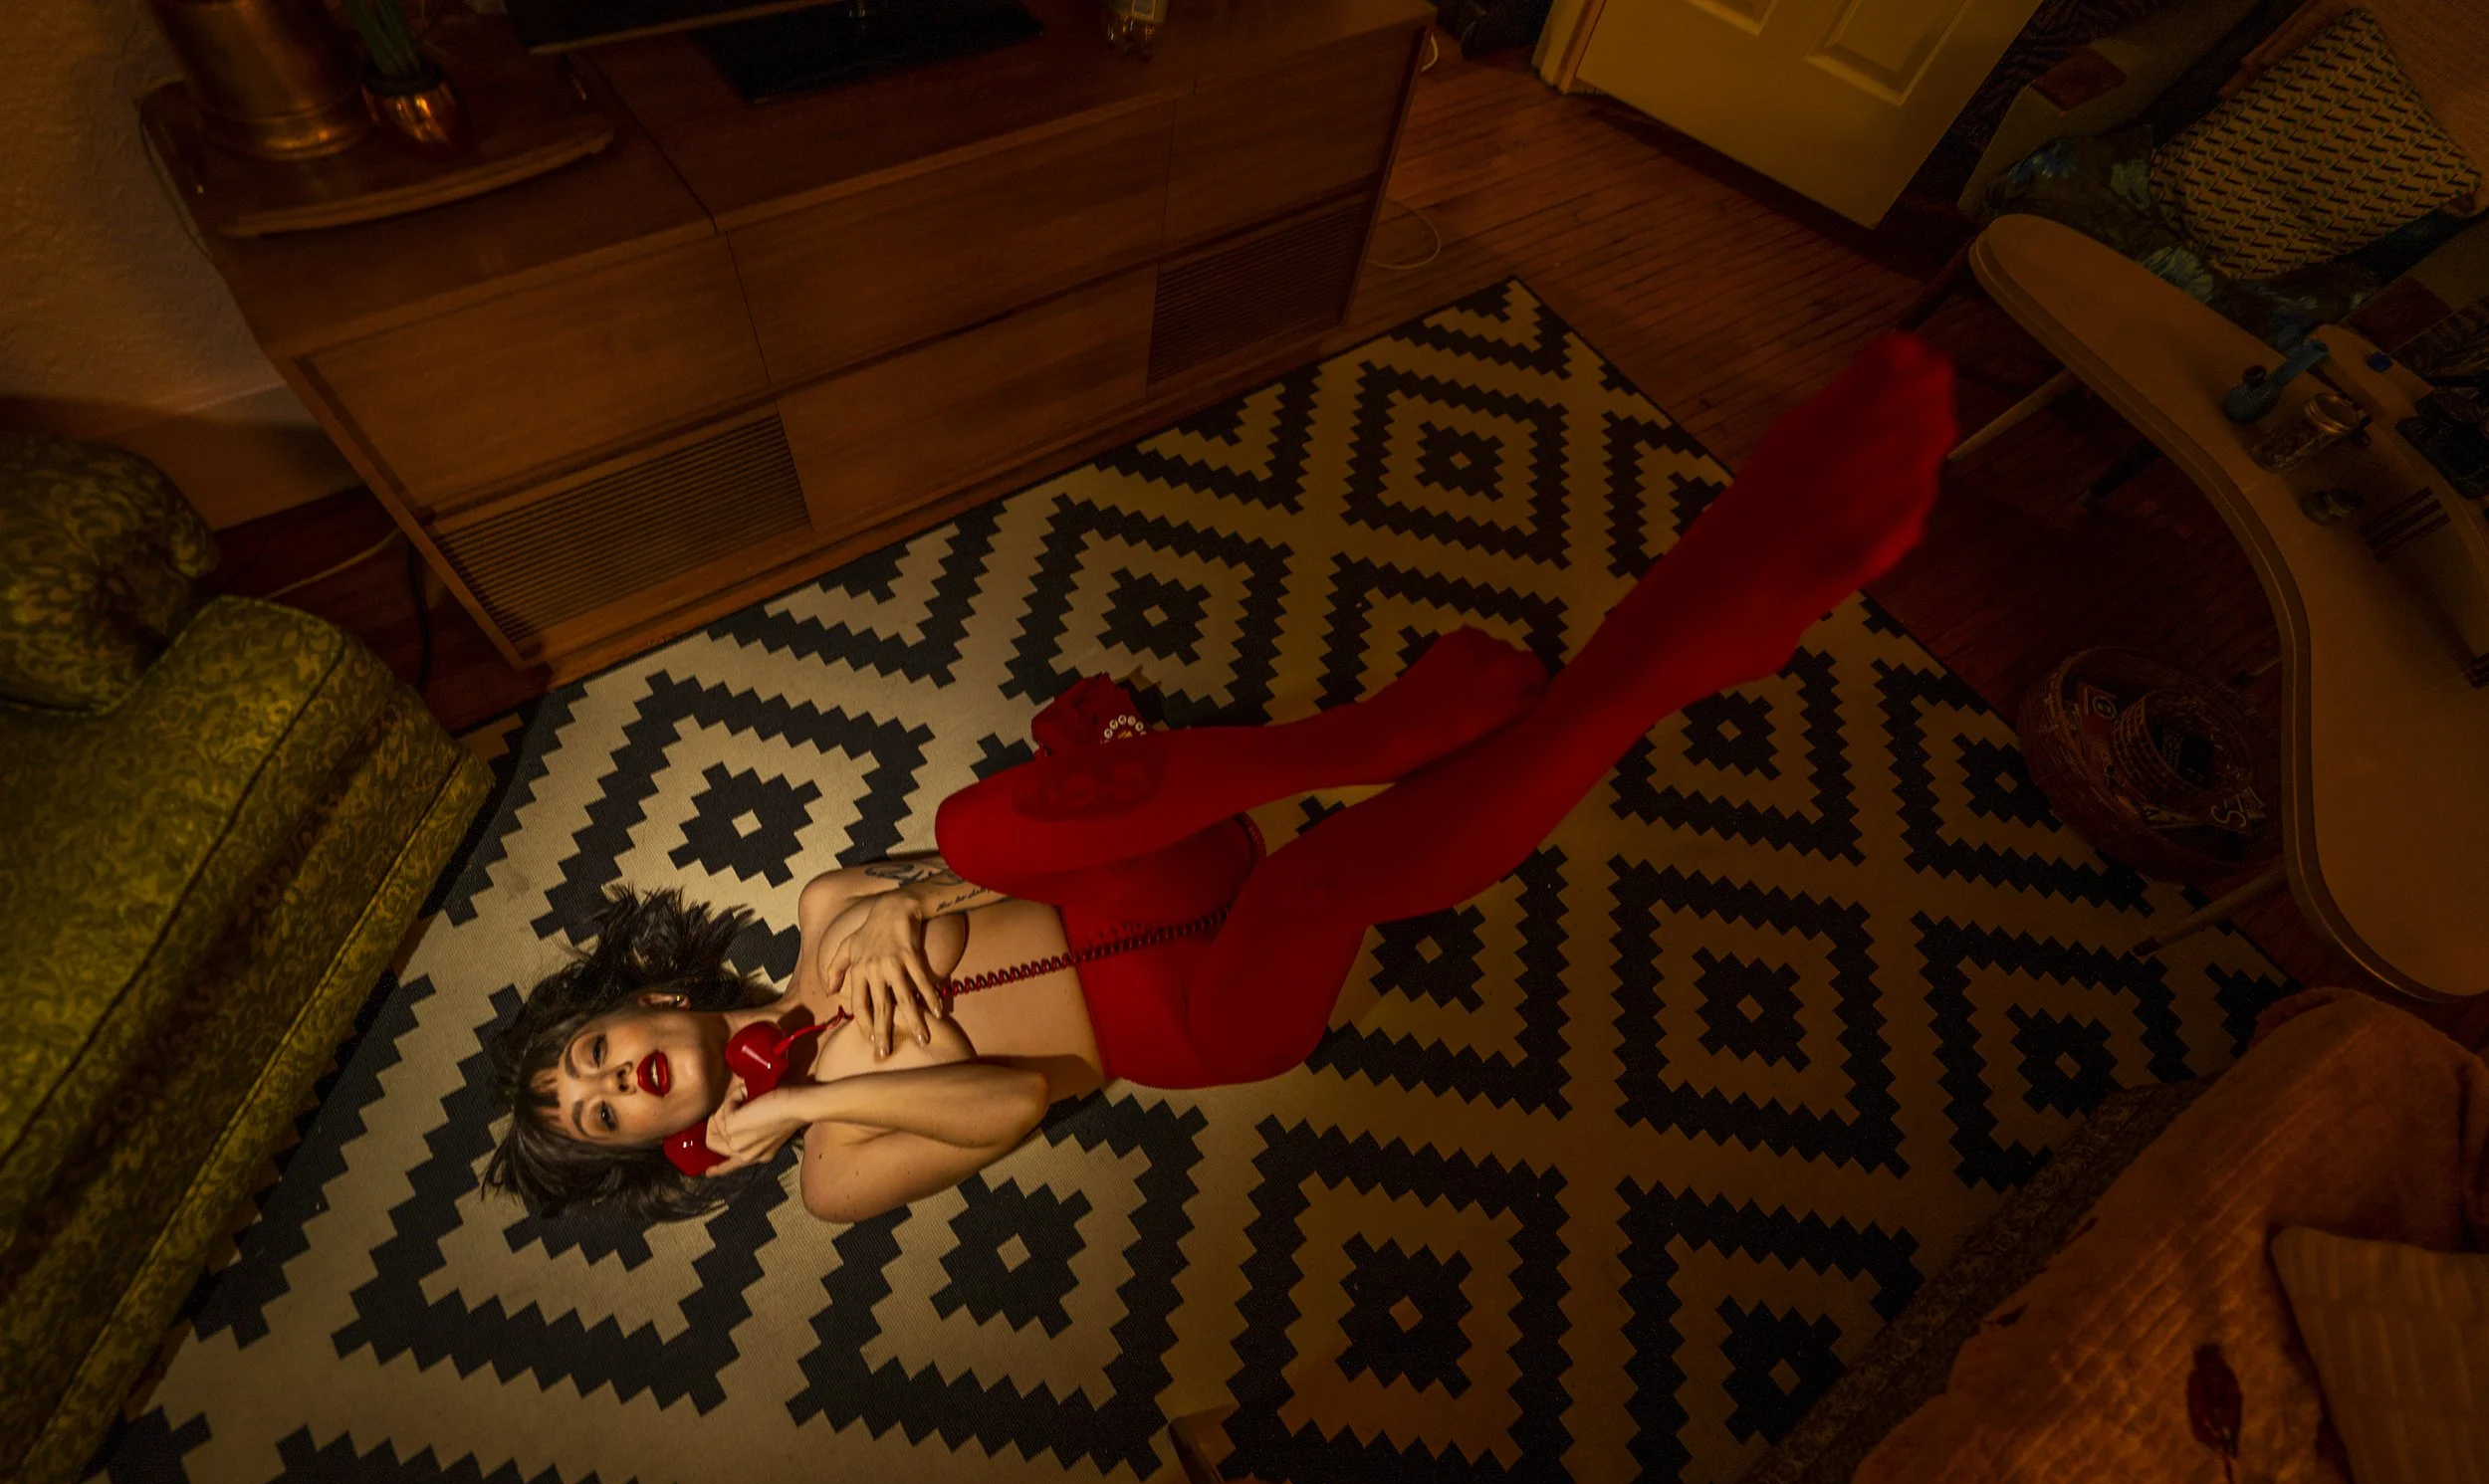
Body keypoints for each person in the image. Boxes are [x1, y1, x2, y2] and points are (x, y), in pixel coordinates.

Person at [482, 333, 1956, 1226]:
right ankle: (1679, 644)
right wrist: (807, 1107)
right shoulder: (828, 1174)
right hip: (1194, 1017)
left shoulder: (820, 912)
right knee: (1329, 879)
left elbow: (1006, 853)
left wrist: (901, 898)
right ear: (662, 1151)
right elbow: (1013, 1103)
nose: (608, 1079)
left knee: (963, 823)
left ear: (636, 995)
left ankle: (1368, 736)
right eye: (597, 1113)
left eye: (589, 1051)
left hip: (1142, 867)